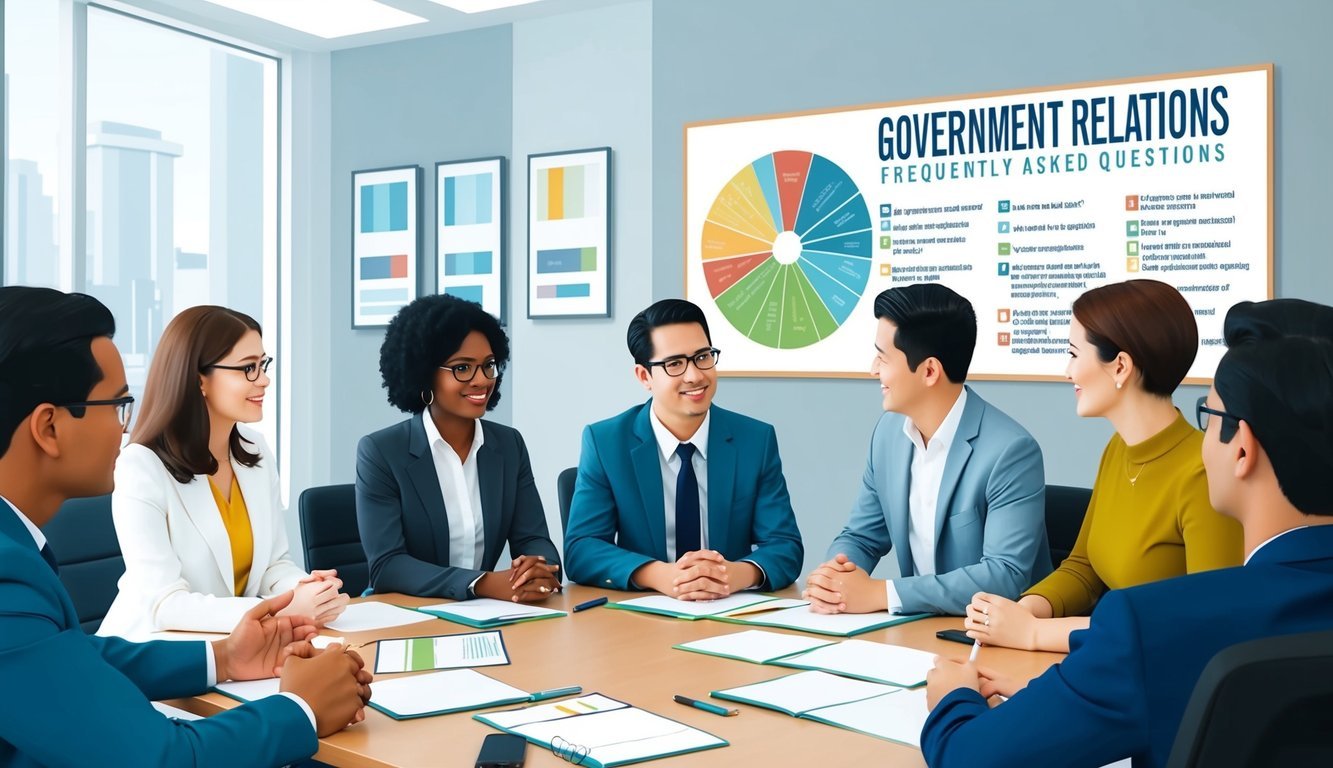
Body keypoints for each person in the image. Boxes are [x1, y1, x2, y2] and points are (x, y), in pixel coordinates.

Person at [921, 298, 1333, 768]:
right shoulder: (1120, 460)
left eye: (1209, 416)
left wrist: (953, 698)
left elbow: (967, 757)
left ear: (1241, 450)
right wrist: (1068, 694)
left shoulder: (1152, 626)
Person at [0, 286, 370, 767]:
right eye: (115, 406)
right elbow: (164, 759)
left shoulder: (18, 551)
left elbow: (72, 656)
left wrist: (225, 658)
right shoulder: (9, 580)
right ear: (49, 427)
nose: (124, 427)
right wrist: (302, 708)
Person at [965, 280, 1242, 652]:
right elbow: (1083, 568)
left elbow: (1202, 627)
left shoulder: (1202, 473)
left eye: (1074, 354)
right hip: (1111, 662)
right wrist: (1020, 612)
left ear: (1120, 366)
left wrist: (1034, 634)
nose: (1068, 372)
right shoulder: (1119, 449)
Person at [100, 306, 348, 639]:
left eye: (262, 365)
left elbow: (274, 566)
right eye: (248, 368)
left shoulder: (255, 450)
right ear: (199, 379)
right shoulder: (141, 466)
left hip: (237, 650)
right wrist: (283, 610)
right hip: (153, 652)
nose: (264, 379)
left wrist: (307, 590)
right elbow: (165, 604)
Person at [804, 284, 1049, 616]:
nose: (873, 369)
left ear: (930, 371)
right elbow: (861, 536)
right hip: (916, 632)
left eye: (883, 357)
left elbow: (1004, 575)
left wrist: (882, 593)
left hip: (992, 639)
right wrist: (835, 576)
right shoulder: (888, 434)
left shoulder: (1011, 452)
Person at [564, 298, 803, 597]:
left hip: (728, 611)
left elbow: (785, 545)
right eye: (675, 364)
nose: (695, 375)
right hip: (642, 616)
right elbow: (581, 550)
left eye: (703, 356)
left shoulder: (755, 440)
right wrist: (661, 575)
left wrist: (732, 574)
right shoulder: (605, 442)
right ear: (644, 376)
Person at [357, 295, 560, 601]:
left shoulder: (508, 445)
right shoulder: (381, 452)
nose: (481, 380)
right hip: (407, 613)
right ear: (424, 373)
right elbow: (388, 566)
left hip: (484, 615)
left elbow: (533, 538)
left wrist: (537, 568)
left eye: (488, 366)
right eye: (462, 368)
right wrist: (482, 583)